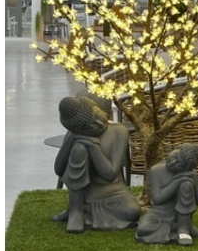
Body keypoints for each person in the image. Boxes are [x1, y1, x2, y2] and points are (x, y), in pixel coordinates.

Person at [52, 96, 140, 233]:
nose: (99, 123)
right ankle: (76, 211)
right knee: (79, 149)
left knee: (132, 211)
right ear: (81, 130)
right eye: (91, 126)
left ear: (98, 108)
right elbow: (58, 169)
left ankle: (83, 211)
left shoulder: (119, 131)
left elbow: (109, 175)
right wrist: (72, 139)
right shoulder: (74, 135)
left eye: (98, 115)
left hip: (113, 194)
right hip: (84, 195)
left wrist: (93, 146)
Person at [135, 143, 198, 246]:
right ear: (175, 149)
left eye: (179, 165)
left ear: (185, 169)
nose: (173, 162)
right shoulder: (156, 170)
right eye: (175, 156)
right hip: (159, 213)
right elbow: (157, 200)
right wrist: (177, 181)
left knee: (186, 185)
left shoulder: (189, 175)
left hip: (181, 215)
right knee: (143, 229)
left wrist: (194, 177)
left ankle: (183, 230)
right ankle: (180, 228)